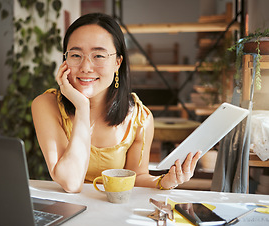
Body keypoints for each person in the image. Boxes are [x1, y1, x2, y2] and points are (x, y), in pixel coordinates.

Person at [32, 13, 201, 193]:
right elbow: (71, 183)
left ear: (118, 62)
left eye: (98, 56)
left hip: (114, 213)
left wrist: (164, 182)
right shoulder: (46, 105)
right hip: (67, 213)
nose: (86, 67)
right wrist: (82, 107)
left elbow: (137, 177)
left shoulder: (139, 118)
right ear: (65, 60)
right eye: (75, 55)